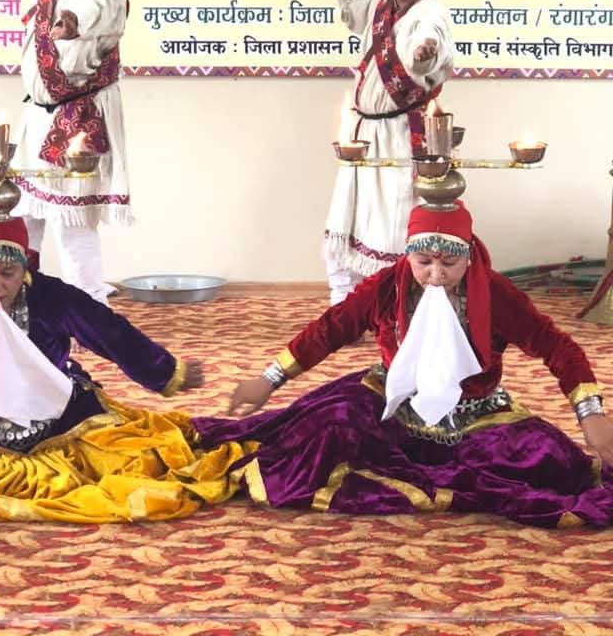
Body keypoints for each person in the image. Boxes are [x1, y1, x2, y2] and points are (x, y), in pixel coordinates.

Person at [195, 200, 613, 528]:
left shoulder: (496, 294)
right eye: (424, 263)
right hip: (391, 402)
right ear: (409, 255)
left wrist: (590, 415)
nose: (435, 275)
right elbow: (329, 329)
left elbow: (558, 348)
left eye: (449, 263)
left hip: (477, 413)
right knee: (324, 436)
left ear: (469, 256)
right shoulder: (385, 287)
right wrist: (268, 379)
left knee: (550, 463)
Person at [0, 215, 250, 524]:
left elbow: (110, 333)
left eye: (8, 274)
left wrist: (166, 372)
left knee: (137, 460)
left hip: (58, 414)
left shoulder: (51, 295)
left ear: (25, 268)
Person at [324, 0, 456, 305]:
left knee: (393, 222)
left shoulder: (432, 13)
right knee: (348, 216)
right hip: (364, 133)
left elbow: (430, 42)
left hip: (401, 135)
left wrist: (424, 53)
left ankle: (395, 307)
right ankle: (344, 308)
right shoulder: (380, 4)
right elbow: (352, 4)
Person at [13, 0, 132, 304]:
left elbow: (91, 10)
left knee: (72, 221)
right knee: (25, 213)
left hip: (78, 119)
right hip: (38, 115)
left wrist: (71, 22)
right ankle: (20, 301)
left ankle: (89, 309)